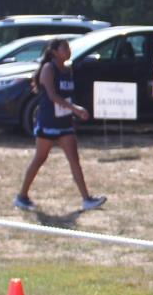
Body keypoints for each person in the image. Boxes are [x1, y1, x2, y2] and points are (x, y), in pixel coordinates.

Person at [13, 40, 106, 213]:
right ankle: (21, 196)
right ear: (54, 52)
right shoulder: (49, 68)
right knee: (39, 159)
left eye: (69, 48)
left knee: (74, 160)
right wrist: (76, 109)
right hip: (48, 122)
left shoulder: (67, 69)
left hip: (65, 123)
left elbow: (67, 95)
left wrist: (73, 112)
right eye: (64, 48)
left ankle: (86, 199)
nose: (68, 51)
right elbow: (52, 96)